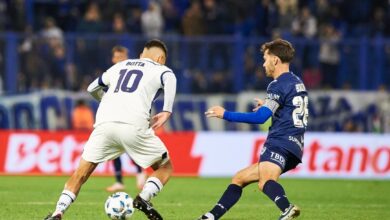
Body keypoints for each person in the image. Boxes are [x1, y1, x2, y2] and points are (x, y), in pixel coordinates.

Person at [45, 39, 177, 220]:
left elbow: (92, 88)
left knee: (80, 174)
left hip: (104, 124)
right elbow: (170, 79)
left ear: (141, 55)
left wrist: (108, 100)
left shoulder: (120, 66)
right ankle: (143, 199)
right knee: (164, 167)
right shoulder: (162, 69)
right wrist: (167, 110)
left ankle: (58, 212)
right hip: (133, 125)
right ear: (160, 58)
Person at [199, 39, 308, 220]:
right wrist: (268, 104)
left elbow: (260, 117)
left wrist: (225, 114)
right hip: (295, 146)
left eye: (265, 59)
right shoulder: (297, 82)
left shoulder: (277, 84)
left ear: (275, 60)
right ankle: (210, 217)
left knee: (265, 182)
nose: (264, 64)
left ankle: (287, 208)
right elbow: (289, 106)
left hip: (279, 142)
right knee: (239, 178)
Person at [105, 45, 147, 192]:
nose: (119, 60)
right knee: (113, 148)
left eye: (121, 57)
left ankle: (141, 173)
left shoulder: (134, 75)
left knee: (130, 147)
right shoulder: (110, 75)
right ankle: (119, 181)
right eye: (117, 57)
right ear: (112, 59)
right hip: (113, 116)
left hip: (130, 117)